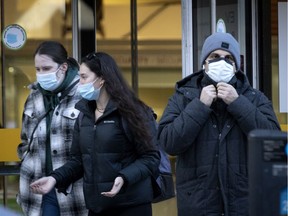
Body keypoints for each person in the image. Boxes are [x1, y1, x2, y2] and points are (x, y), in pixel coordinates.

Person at [157, 32, 281, 216]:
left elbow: (272, 141)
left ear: (236, 66)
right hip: (199, 205)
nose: (221, 62)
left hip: (243, 204)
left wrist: (238, 103)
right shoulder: (183, 97)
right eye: (215, 56)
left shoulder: (254, 98)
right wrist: (199, 106)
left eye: (228, 58)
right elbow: (168, 143)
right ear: (204, 63)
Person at [30, 52, 160, 216]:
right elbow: (78, 161)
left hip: (131, 205)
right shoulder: (84, 114)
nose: (79, 83)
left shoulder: (133, 112)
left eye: (84, 77)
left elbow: (151, 157)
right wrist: (54, 178)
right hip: (97, 207)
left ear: (102, 79)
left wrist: (124, 177)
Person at [17, 41, 87, 216]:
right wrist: (26, 159)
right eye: (38, 69)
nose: (41, 74)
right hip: (38, 187)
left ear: (63, 67)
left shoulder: (84, 94)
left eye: (46, 68)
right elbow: (25, 138)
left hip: (74, 188)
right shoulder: (34, 96)